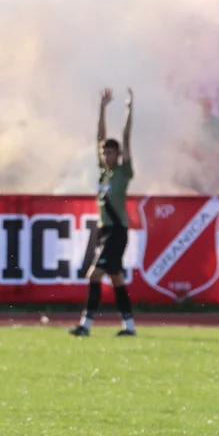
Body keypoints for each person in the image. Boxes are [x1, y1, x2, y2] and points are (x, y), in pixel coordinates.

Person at [70, 87, 136, 337]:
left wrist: (129, 109)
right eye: (104, 152)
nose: (106, 154)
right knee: (116, 278)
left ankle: (86, 325)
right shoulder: (103, 173)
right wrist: (102, 108)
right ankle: (129, 326)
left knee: (94, 274)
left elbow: (126, 138)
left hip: (117, 231)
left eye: (110, 152)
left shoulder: (123, 173)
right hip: (105, 230)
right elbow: (99, 137)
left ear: (118, 155)